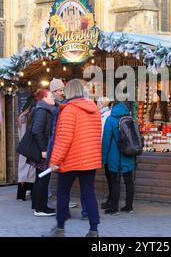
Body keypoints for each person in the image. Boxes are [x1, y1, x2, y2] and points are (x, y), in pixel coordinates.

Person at [45, 79, 102, 237]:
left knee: (63, 193)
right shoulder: (94, 109)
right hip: (89, 160)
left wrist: (55, 161)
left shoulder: (68, 110)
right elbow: (97, 135)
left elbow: (64, 139)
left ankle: (60, 228)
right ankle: (94, 229)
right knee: (89, 193)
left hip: (71, 159)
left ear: (69, 91)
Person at [48, 78, 81, 213]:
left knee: (64, 184)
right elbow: (56, 131)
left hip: (62, 149)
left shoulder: (63, 105)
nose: (62, 92)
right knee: (55, 181)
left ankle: (62, 213)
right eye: (60, 90)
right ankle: (50, 204)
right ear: (53, 92)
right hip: (56, 147)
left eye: (63, 90)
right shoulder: (54, 107)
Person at [101, 101, 136, 215]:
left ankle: (114, 208)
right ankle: (129, 206)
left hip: (114, 156)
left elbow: (106, 141)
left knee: (115, 181)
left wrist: (103, 158)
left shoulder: (110, 120)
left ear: (113, 107)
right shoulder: (130, 118)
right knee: (129, 181)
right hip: (129, 154)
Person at [29, 89, 56, 217]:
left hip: (42, 150)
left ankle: (37, 205)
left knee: (40, 178)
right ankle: (41, 208)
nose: (53, 98)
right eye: (51, 95)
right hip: (43, 151)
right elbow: (36, 130)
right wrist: (44, 149)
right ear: (44, 98)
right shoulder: (42, 111)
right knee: (43, 179)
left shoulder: (42, 110)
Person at [16, 95, 36, 201]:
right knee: (31, 171)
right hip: (30, 147)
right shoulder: (25, 118)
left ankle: (21, 195)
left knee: (23, 171)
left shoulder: (22, 117)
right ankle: (29, 194)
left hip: (23, 147)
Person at [96, 97, 113, 209]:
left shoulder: (106, 116)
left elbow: (103, 134)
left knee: (110, 175)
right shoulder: (104, 115)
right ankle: (110, 199)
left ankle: (111, 200)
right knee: (109, 175)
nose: (96, 105)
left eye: (97, 103)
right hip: (107, 148)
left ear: (102, 104)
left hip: (108, 149)